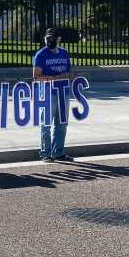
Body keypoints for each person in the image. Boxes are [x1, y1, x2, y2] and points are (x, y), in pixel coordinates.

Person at [33, 28, 74, 163]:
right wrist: (57, 77)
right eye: (48, 38)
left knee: (62, 124)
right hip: (47, 93)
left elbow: (69, 72)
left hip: (64, 93)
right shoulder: (41, 55)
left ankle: (59, 152)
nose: (50, 41)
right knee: (46, 124)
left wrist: (71, 76)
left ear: (58, 39)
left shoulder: (64, 53)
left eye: (52, 38)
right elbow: (36, 77)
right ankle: (45, 153)